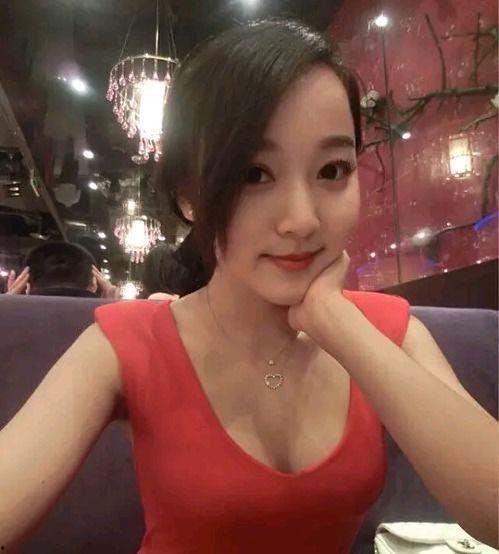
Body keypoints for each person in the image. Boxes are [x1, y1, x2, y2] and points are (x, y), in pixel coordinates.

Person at [0, 18, 497, 554]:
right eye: (254, 174)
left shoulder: (387, 330)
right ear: (188, 194)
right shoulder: (128, 342)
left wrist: (337, 323)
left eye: (332, 170)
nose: (302, 220)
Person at [4, 241, 119, 298]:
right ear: (94, 284)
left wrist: (7, 308)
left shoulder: (8, 324)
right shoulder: (109, 326)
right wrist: (115, 310)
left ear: (27, 287)